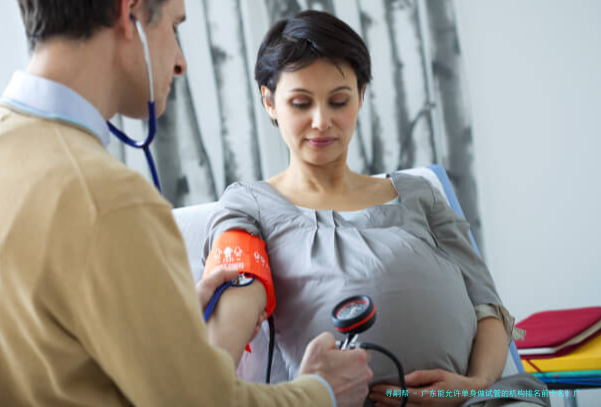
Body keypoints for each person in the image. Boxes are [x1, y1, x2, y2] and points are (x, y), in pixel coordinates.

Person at [0, 1, 373, 406]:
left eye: (339, 100)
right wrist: (321, 391)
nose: (180, 63)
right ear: (131, 13)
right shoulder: (108, 200)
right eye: (174, 27)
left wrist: (165, 329)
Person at [201, 10, 550, 407]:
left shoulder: (419, 194)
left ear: (361, 96)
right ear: (269, 102)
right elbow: (236, 301)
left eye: (339, 101)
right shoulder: (250, 206)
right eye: (300, 103)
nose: (321, 121)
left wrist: (469, 387)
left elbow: (488, 306)